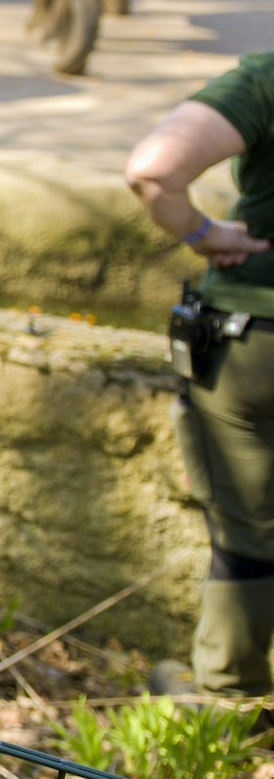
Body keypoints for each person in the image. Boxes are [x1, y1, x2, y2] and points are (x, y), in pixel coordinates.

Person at [127, 52, 274, 697]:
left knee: (248, 525)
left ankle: (226, 701)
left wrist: (205, 232)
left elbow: (155, 172)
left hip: (257, 341)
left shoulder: (266, 78)